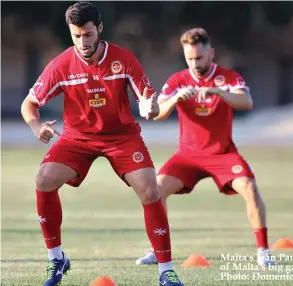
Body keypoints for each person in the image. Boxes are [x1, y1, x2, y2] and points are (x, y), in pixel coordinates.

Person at [20, 2, 184, 286]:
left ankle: (166, 270)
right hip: (77, 138)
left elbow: (149, 102)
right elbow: (29, 103)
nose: (82, 42)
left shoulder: (124, 59)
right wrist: (36, 126)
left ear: (99, 29)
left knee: (150, 190)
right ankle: (56, 259)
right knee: (44, 180)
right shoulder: (61, 64)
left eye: (87, 34)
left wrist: (150, 108)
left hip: (122, 136)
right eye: (76, 36)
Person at [135, 28, 275, 266]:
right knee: (155, 189)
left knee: (250, 188)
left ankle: (263, 252)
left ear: (211, 53)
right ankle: (156, 250)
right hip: (188, 156)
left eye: (199, 58)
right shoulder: (177, 80)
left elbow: (246, 102)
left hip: (222, 153)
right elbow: (156, 113)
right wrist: (176, 99)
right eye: (189, 58)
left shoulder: (228, 77)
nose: (194, 63)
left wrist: (217, 91)